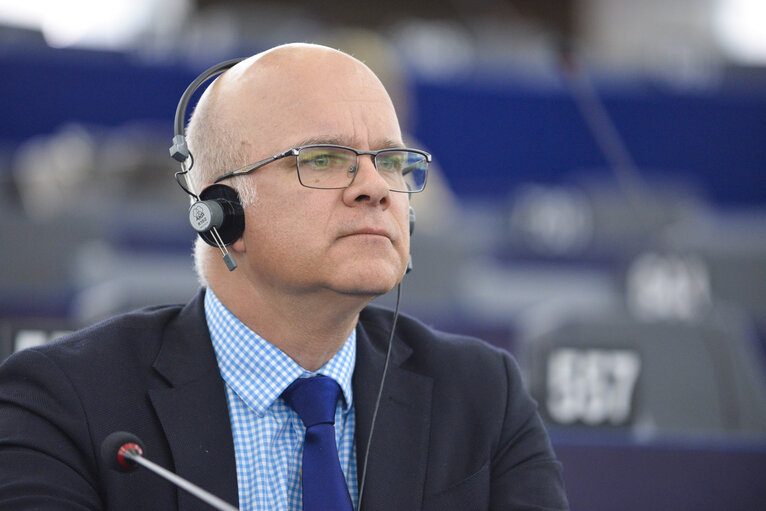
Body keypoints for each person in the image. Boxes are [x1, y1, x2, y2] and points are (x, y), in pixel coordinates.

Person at [0, 43, 568, 510]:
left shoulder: (483, 395)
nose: (374, 187)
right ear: (223, 212)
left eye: (391, 161)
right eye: (323, 159)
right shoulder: (65, 405)